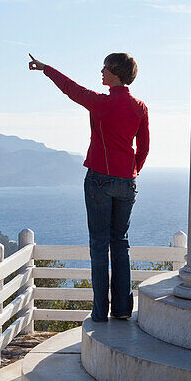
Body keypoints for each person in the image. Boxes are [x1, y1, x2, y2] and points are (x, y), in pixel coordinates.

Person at [28, 51, 149, 322]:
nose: (101, 72)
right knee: (120, 244)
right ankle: (121, 309)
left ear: (116, 72)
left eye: (105, 68)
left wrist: (46, 68)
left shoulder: (100, 103)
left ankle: (99, 312)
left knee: (98, 245)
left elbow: (71, 89)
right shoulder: (140, 107)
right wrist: (131, 172)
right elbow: (144, 148)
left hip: (99, 180)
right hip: (127, 183)